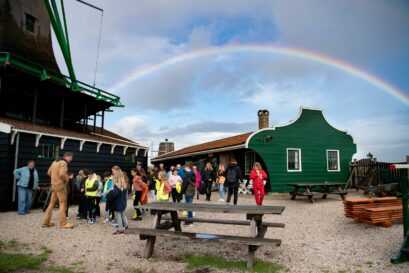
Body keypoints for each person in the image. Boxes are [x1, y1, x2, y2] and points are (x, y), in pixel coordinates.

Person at [43, 152, 74, 229]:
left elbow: (48, 173)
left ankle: (46, 222)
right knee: (63, 204)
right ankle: (63, 224)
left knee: (51, 204)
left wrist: (55, 177)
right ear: (67, 156)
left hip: (53, 185)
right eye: (71, 158)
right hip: (60, 186)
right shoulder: (63, 163)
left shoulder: (54, 162)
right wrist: (67, 179)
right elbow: (62, 174)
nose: (71, 159)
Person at [108, 166, 129, 235]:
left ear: (116, 172)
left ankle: (120, 229)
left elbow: (115, 193)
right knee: (122, 213)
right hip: (122, 201)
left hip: (117, 202)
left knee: (118, 215)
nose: (112, 172)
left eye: (113, 171)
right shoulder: (123, 182)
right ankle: (126, 226)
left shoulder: (116, 183)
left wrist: (109, 194)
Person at [181, 162, 196, 226]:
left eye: (185, 167)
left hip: (187, 192)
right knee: (190, 206)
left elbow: (184, 185)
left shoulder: (186, 175)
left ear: (187, 167)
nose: (184, 168)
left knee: (188, 207)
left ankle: (190, 222)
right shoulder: (193, 174)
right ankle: (190, 220)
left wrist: (181, 193)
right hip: (192, 192)